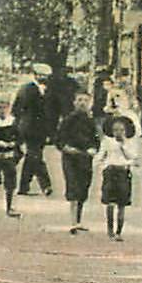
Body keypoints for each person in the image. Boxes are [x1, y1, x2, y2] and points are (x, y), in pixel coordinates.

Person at [55, 90, 101, 234]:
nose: (82, 103)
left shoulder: (91, 121)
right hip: (71, 158)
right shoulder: (68, 120)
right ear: (74, 102)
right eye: (79, 100)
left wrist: (94, 149)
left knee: (83, 187)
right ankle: (73, 222)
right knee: (73, 187)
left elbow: (96, 140)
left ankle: (79, 220)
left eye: (85, 100)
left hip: (85, 158)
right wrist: (66, 148)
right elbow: (59, 139)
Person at [12, 63, 54, 196]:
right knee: (35, 156)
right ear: (35, 75)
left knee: (32, 157)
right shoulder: (27, 89)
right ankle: (46, 185)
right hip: (29, 128)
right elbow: (17, 109)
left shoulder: (48, 91)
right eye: (41, 76)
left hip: (41, 130)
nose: (43, 78)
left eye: (46, 76)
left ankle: (24, 187)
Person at [98, 112, 139, 242]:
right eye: (115, 130)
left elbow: (133, 157)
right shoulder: (107, 142)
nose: (118, 132)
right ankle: (110, 230)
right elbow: (101, 156)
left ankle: (119, 231)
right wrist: (103, 166)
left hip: (123, 172)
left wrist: (123, 147)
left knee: (122, 204)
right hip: (111, 171)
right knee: (110, 203)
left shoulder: (130, 143)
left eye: (121, 130)